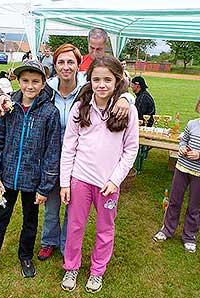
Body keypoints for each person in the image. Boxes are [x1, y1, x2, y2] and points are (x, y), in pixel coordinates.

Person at [37, 44, 135, 262]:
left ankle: (66, 247)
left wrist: (126, 99)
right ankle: (49, 241)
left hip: (83, 160)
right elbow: (26, 93)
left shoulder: (87, 85)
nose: (65, 67)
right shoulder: (47, 88)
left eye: (70, 62)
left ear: (78, 65)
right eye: (60, 62)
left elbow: (115, 85)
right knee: (52, 203)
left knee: (73, 215)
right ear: (54, 65)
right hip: (53, 155)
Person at [0, 60, 61, 282]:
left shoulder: (50, 112)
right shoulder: (6, 107)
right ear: (18, 81)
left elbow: (52, 152)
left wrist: (45, 187)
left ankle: (25, 256)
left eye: (35, 81)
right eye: (25, 81)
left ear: (43, 83)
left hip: (33, 180)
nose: (30, 86)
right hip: (7, 178)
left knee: (30, 220)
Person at [60, 56, 139, 293]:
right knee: (75, 227)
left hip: (108, 184)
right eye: (96, 79)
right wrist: (65, 183)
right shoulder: (80, 107)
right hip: (80, 179)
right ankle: (71, 266)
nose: (101, 84)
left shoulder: (128, 110)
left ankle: (97, 271)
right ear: (89, 80)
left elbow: (131, 149)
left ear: (117, 81)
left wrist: (115, 180)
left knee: (105, 229)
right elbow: (69, 147)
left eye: (107, 79)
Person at [153, 89, 200, 254]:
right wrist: (181, 149)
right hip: (182, 169)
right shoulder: (191, 124)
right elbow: (184, 140)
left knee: (194, 207)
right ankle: (167, 229)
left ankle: (189, 236)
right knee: (174, 201)